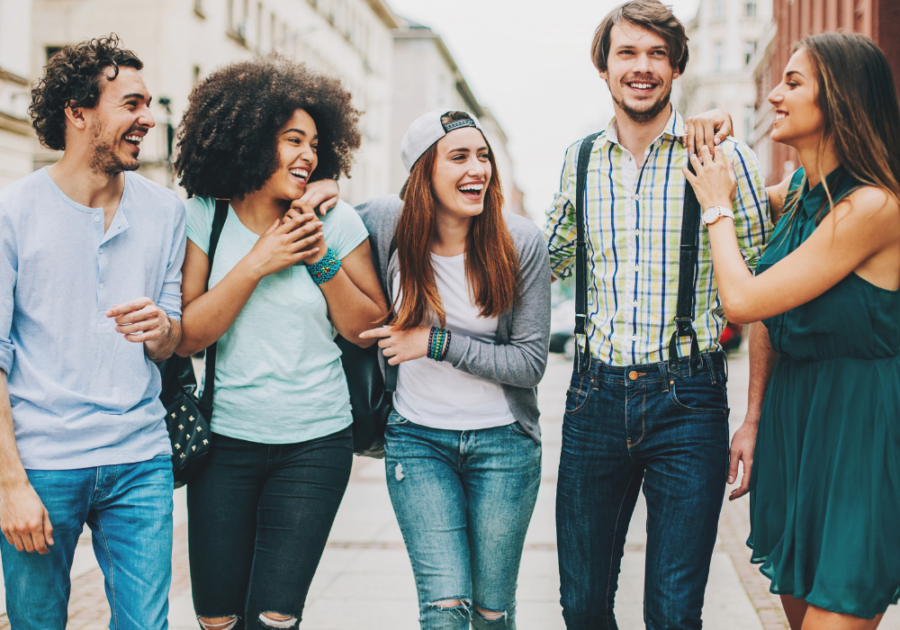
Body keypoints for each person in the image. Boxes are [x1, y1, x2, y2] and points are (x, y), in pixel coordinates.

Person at [543, 1, 772, 627]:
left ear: (676, 68)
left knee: (674, 613)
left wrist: (752, 417)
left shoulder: (726, 160)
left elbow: (765, 297)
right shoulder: (580, 160)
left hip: (690, 402)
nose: (641, 68)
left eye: (656, 55)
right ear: (604, 67)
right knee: (582, 606)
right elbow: (541, 262)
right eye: (627, 53)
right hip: (594, 398)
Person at [684, 32, 900, 630]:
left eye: (793, 83)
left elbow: (746, 298)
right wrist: (753, 417)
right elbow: (736, 187)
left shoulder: (873, 208)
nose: (775, 95)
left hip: (858, 432)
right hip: (795, 423)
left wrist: (717, 209)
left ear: (840, 100)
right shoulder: (804, 191)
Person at [173, 55, 388, 630]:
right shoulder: (205, 218)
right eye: (293, 139)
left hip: (315, 441)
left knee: (272, 620)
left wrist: (320, 260)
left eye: (315, 143)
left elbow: (366, 327)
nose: (308, 156)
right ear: (247, 136)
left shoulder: (333, 222)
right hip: (222, 443)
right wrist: (256, 262)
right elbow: (189, 334)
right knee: (217, 619)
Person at [0, 35, 184, 629]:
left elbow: (171, 335)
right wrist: (10, 484)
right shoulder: (13, 211)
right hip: (42, 462)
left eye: (148, 104)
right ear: (77, 113)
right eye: (131, 104)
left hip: (140, 457)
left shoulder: (165, 211)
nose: (148, 119)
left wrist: (163, 330)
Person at [353, 109, 550, 629]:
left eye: (483, 156)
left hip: (504, 445)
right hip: (417, 442)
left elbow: (529, 365)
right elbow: (323, 219)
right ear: (423, 172)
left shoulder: (520, 241)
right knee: (444, 609)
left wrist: (436, 343)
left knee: (490, 612)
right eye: (459, 156)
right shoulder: (384, 224)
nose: (477, 169)